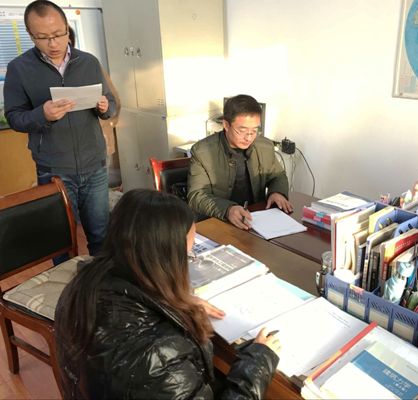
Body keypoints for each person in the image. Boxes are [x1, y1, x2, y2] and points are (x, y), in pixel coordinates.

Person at [55, 189, 280, 399]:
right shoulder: (159, 357)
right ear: (162, 260)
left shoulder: (85, 284)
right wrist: (258, 363)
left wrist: (171, 302)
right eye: (187, 255)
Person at [3, 0, 117, 256]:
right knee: (61, 240)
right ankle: (67, 282)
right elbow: (14, 117)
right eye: (43, 38)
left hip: (94, 164)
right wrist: (41, 114)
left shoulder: (88, 62)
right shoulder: (19, 69)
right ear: (31, 35)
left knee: (101, 235)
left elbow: (111, 103)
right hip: (54, 169)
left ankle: (101, 278)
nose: (53, 44)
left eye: (58, 35)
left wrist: (104, 107)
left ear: (67, 28)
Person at [188, 94, 292, 229]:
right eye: (242, 130)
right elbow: (197, 196)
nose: (249, 137)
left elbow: (277, 175)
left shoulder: (265, 146)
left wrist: (277, 192)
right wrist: (228, 209)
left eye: (254, 130)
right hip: (218, 221)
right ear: (226, 125)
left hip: (255, 220)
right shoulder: (202, 152)